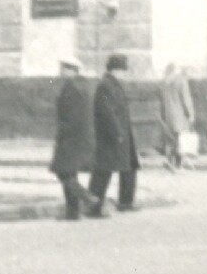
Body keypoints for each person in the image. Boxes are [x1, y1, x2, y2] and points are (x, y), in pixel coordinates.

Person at [90, 54, 141, 213]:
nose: (125, 74)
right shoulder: (105, 85)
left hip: (122, 134)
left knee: (129, 167)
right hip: (112, 135)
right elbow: (106, 112)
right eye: (123, 70)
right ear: (115, 70)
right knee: (104, 170)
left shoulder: (114, 84)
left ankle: (126, 201)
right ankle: (93, 204)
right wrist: (117, 133)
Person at [50, 60, 97, 219]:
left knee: (63, 172)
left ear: (71, 70)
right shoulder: (83, 86)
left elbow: (70, 115)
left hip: (70, 137)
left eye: (63, 69)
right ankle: (72, 212)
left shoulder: (71, 87)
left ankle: (86, 197)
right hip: (81, 137)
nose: (61, 72)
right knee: (69, 172)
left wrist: (62, 134)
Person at [158, 62, 198, 171]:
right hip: (180, 115)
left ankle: (170, 161)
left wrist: (163, 116)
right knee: (181, 139)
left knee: (170, 139)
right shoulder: (181, 81)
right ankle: (179, 165)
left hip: (168, 115)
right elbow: (186, 99)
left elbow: (162, 101)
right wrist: (191, 114)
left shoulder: (164, 83)